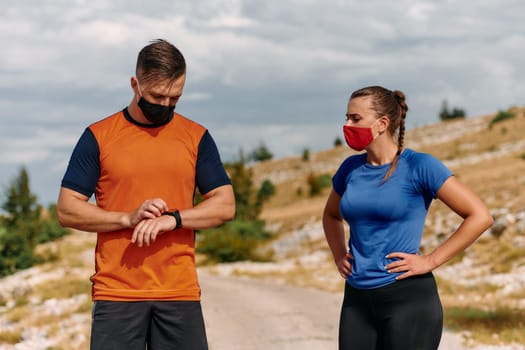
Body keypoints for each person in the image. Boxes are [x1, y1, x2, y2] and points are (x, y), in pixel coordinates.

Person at [57, 39, 235, 350]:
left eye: (175, 97)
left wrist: (174, 220)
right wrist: (126, 217)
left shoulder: (197, 137)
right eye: (156, 96)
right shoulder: (98, 137)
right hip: (117, 295)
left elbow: (224, 205)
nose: (165, 105)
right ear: (134, 84)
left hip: (179, 294)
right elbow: (67, 209)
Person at [322, 85, 493, 350]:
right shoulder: (350, 169)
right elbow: (331, 215)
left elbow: (480, 216)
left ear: (382, 123)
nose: (347, 124)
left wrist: (430, 261)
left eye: (355, 119)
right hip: (357, 299)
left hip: (408, 299)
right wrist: (339, 254)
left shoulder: (420, 166)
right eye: (346, 117)